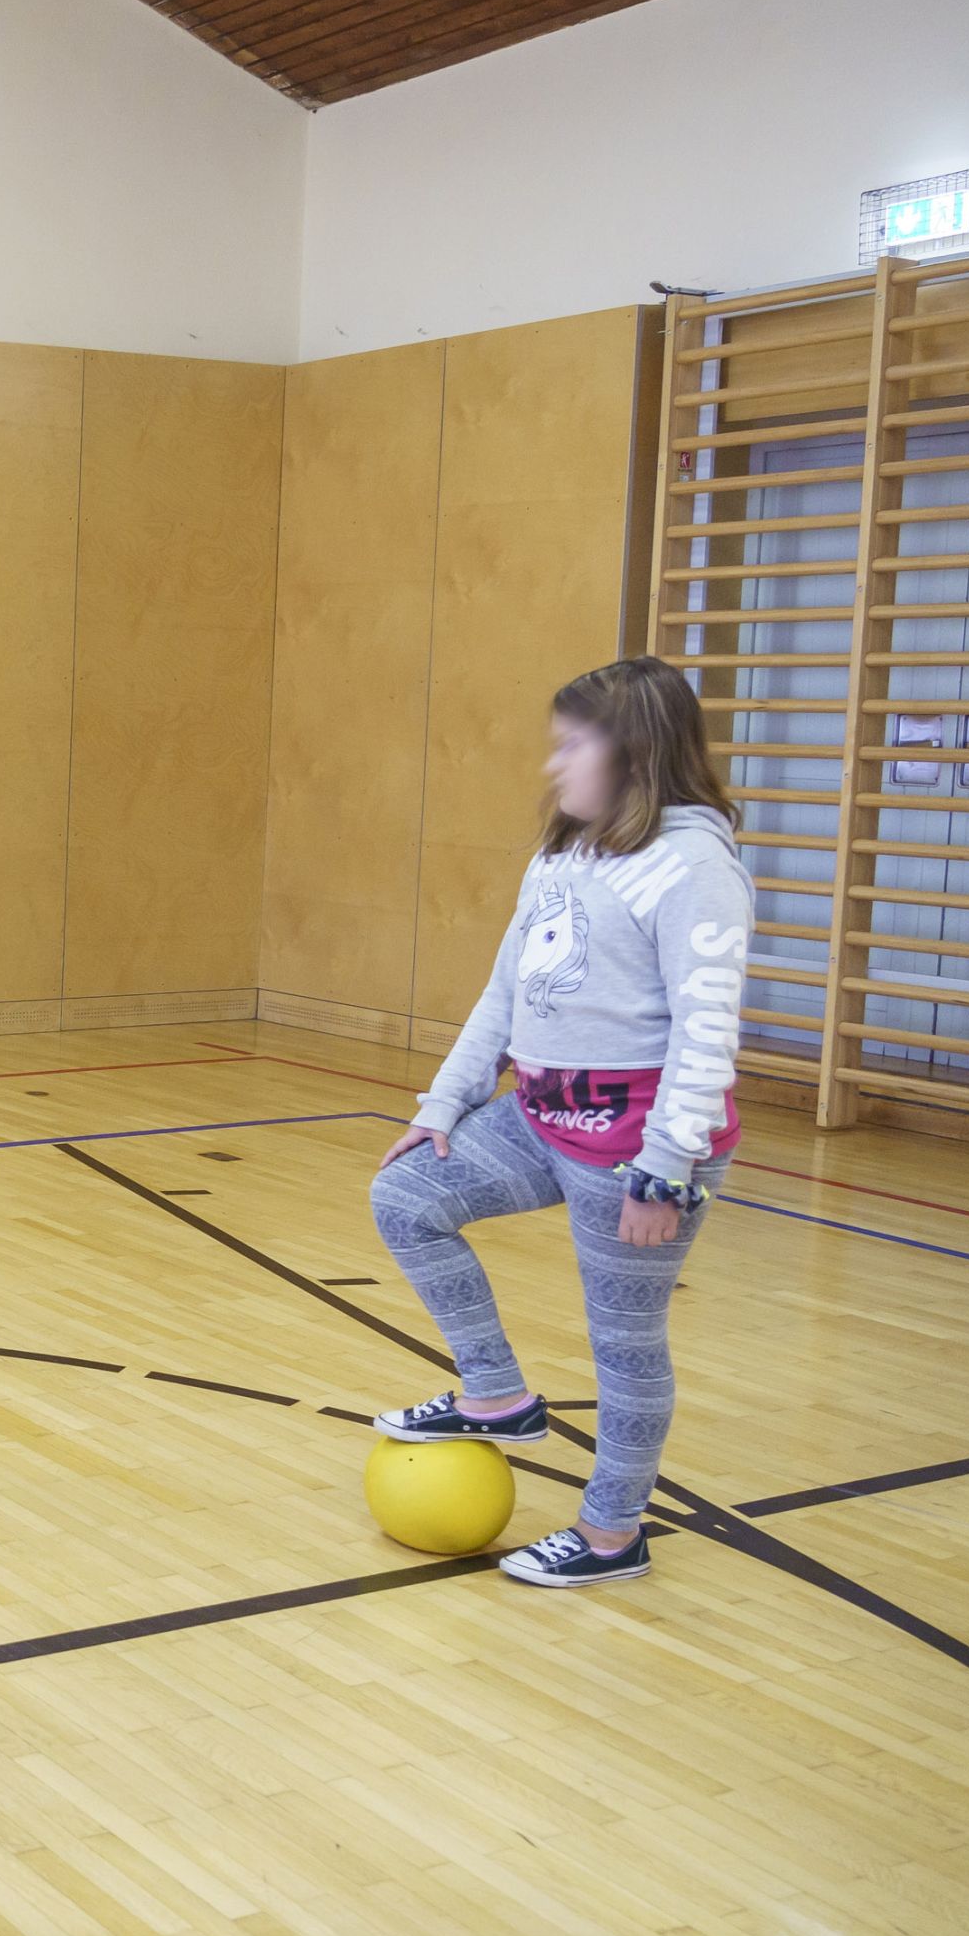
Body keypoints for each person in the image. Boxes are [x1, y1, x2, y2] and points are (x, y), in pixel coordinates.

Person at [369, 656, 748, 1587]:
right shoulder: (566, 851)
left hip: (637, 1148)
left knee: (623, 1341)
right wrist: (444, 1104)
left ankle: (613, 1533)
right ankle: (495, 1391)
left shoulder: (694, 867)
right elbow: (506, 994)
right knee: (405, 1197)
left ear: (636, 752)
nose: (556, 765)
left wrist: (667, 1169)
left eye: (574, 745)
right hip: (540, 1115)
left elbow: (708, 1030)